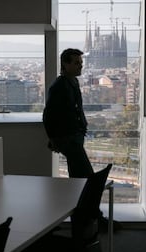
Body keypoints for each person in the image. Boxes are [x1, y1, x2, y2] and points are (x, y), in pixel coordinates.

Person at [43, 48, 121, 232]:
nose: (81, 66)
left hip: (73, 137)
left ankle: (83, 219)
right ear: (65, 64)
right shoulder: (59, 86)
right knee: (88, 179)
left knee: (80, 180)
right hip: (69, 138)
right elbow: (48, 115)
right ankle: (95, 218)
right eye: (77, 63)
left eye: (81, 62)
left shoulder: (71, 82)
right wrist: (54, 139)